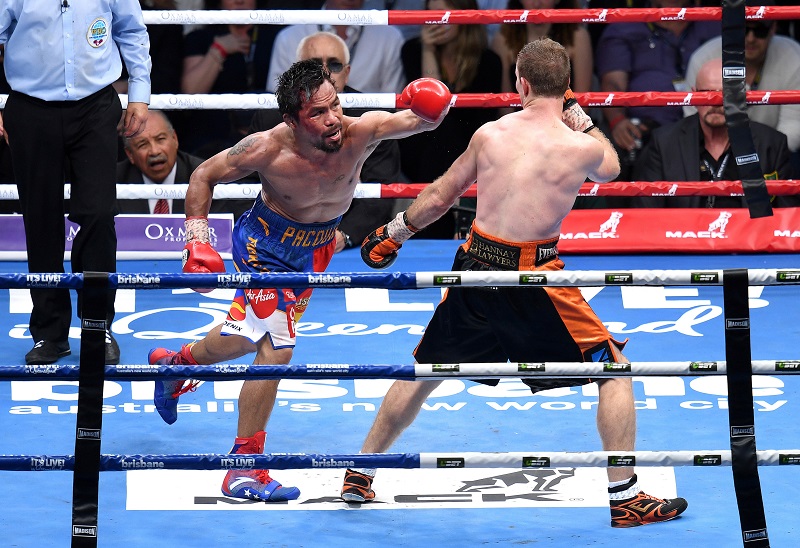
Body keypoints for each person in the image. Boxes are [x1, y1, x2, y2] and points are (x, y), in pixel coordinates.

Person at [340, 38, 688, 529]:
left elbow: (441, 196)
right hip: (532, 274)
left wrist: (393, 232)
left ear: (520, 84)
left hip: (475, 263)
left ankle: (361, 470)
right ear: (566, 87)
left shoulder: (490, 134)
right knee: (614, 370)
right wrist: (579, 115)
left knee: (426, 368)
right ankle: (625, 496)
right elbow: (611, 169)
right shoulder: (582, 147)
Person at [147, 60, 452, 502]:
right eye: (317, 113)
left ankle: (177, 366)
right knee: (278, 346)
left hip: (314, 250)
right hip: (263, 246)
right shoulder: (266, 148)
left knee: (246, 336)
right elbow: (203, 175)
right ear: (291, 120)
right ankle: (243, 469)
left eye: (335, 106)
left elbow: (420, 120)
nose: (333, 120)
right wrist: (196, 239)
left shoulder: (361, 131)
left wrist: (435, 106)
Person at [0, 0, 151, 366]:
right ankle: (49, 333)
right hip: (30, 106)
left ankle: (97, 327)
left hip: (95, 106)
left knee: (99, 214)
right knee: (41, 221)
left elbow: (131, 30)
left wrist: (139, 93)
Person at [250, 31, 402, 250]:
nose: (324, 72)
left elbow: (380, 192)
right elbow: (247, 183)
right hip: (279, 236)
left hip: (345, 241)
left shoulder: (371, 118)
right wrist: (269, 232)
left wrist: (342, 237)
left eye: (334, 64)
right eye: (313, 65)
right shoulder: (270, 118)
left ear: (347, 73)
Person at [398, 0, 503, 238]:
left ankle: (429, 221)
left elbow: (483, 120)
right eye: (430, 14)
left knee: (449, 134)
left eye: (443, 14)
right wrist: (428, 51)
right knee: (439, 132)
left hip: (469, 145)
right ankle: (435, 223)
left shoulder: (488, 61)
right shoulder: (412, 51)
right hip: (422, 143)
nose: (436, 20)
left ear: (464, 17)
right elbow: (428, 108)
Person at [632, 58, 797, 208]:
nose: (715, 102)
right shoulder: (664, 142)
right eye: (707, 94)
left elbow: (788, 218)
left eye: (725, 94)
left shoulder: (771, 143)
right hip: (685, 231)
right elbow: (647, 213)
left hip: (748, 232)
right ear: (694, 96)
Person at [594, 0, 720, 180]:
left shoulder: (712, 20)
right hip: (646, 127)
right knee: (609, 153)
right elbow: (613, 83)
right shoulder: (625, 26)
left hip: (707, 122)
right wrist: (618, 120)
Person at [682, 0, 800, 155]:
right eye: (743, 29)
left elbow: (793, 126)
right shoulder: (704, 58)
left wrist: (763, 158)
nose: (750, 38)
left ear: (773, 28)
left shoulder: (794, 56)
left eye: (760, 31)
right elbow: (693, 121)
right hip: (714, 152)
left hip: (773, 153)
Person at [178, 0, 286, 156]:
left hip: (266, 136)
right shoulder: (200, 38)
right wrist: (218, 50)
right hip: (211, 138)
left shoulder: (277, 36)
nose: (239, 0)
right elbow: (191, 92)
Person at [117, 110, 253, 218]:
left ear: (175, 139)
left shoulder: (206, 175)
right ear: (130, 154)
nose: (155, 151)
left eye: (160, 139)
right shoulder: (114, 182)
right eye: (143, 144)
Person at [266, 0, 406, 94]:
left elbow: (391, 104)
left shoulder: (390, 37)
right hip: (303, 122)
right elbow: (277, 98)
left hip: (369, 123)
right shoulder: (288, 37)